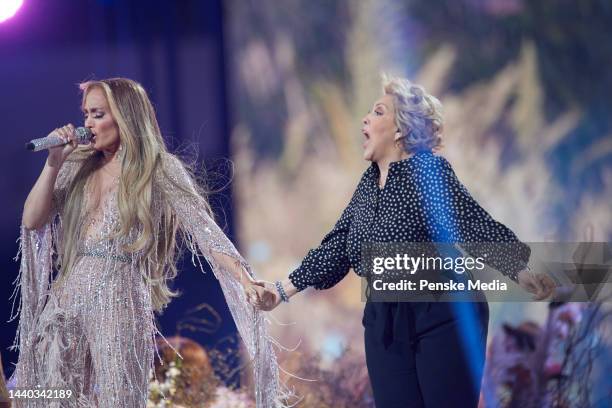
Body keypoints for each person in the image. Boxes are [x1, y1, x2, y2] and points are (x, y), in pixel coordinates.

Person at [251, 75, 555, 407]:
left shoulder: (427, 173)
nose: (365, 118)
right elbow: (336, 247)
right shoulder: (367, 188)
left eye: (378, 112)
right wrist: (279, 291)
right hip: (385, 322)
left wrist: (523, 271)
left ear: (399, 131)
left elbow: (472, 223)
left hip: (442, 313)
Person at [12, 78, 284, 407]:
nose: (87, 124)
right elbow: (31, 220)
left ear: (125, 115)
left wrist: (245, 279)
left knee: (121, 400)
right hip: (65, 304)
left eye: (97, 114)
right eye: (85, 114)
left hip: (119, 303)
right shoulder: (76, 165)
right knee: (53, 398)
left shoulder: (158, 168)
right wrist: (53, 162)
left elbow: (206, 233)